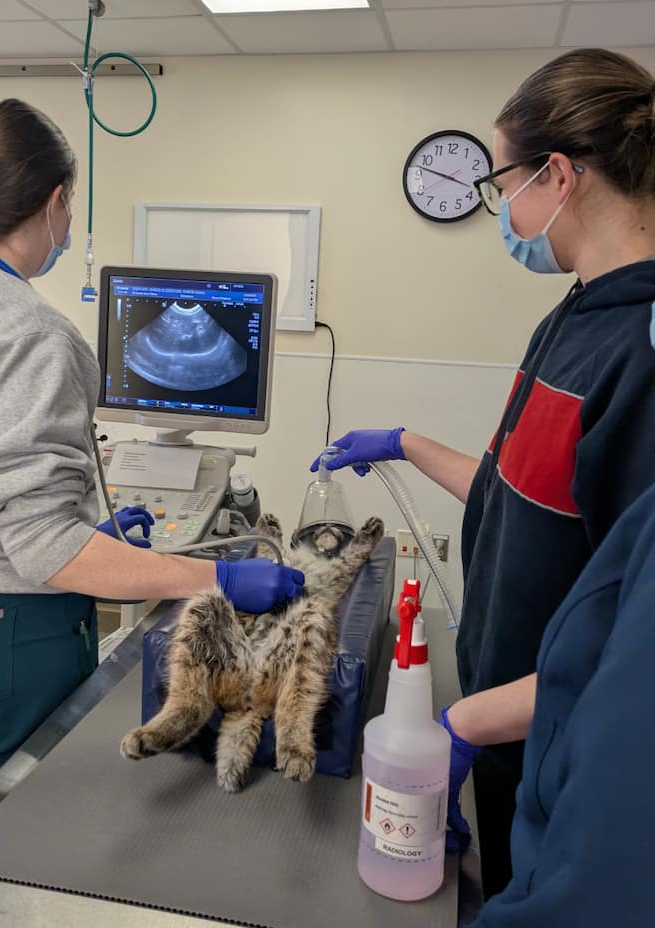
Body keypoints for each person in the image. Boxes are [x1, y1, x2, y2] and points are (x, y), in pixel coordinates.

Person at [0, 99, 303, 831]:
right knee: (16, 820)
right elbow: (43, 549)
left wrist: (94, 524)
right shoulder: (33, 331)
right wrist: (219, 577)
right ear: (57, 202)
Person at [312, 48, 655, 898]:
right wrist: (405, 443)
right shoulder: (575, 315)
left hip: (569, 747)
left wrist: (465, 723)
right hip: (510, 727)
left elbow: (635, 644)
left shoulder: (640, 352)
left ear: (559, 175)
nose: (502, 211)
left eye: (500, 186)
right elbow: (523, 498)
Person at [471, 480, 655, 927]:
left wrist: (465, 724)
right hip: (505, 744)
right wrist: (406, 444)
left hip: (544, 775)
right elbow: (507, 500)